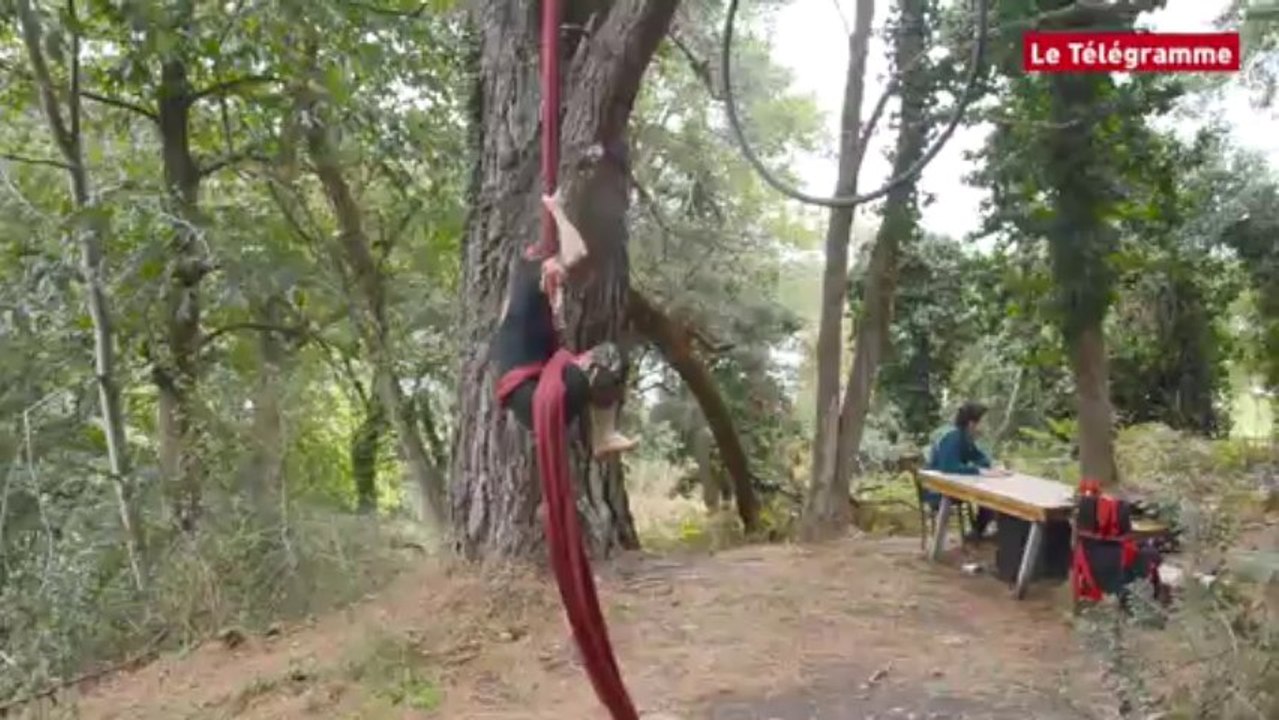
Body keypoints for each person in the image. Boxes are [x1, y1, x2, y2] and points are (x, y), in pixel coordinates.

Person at [492, 191, 638, 458]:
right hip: (532, 398)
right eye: (553, 265)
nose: (561, 278)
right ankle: (603, 435)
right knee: (609, 354)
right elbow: (576, 253)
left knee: (587, 362)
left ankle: (601, 435)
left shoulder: (519, 302)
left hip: (525, 400)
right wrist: (557, 210)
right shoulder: (531, 275)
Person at [924, 401, 1009, 541]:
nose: (985, 426)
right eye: (983, 422)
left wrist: (994, 467)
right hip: (937, 490)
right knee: (987, 494)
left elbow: (980, 458)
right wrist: (979, 471)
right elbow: (949, 467)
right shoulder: (952, 437)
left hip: (953, 485)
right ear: (972, 423)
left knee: (990, 491)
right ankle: (979, 531)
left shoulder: (965, 437)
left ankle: (980, 531)